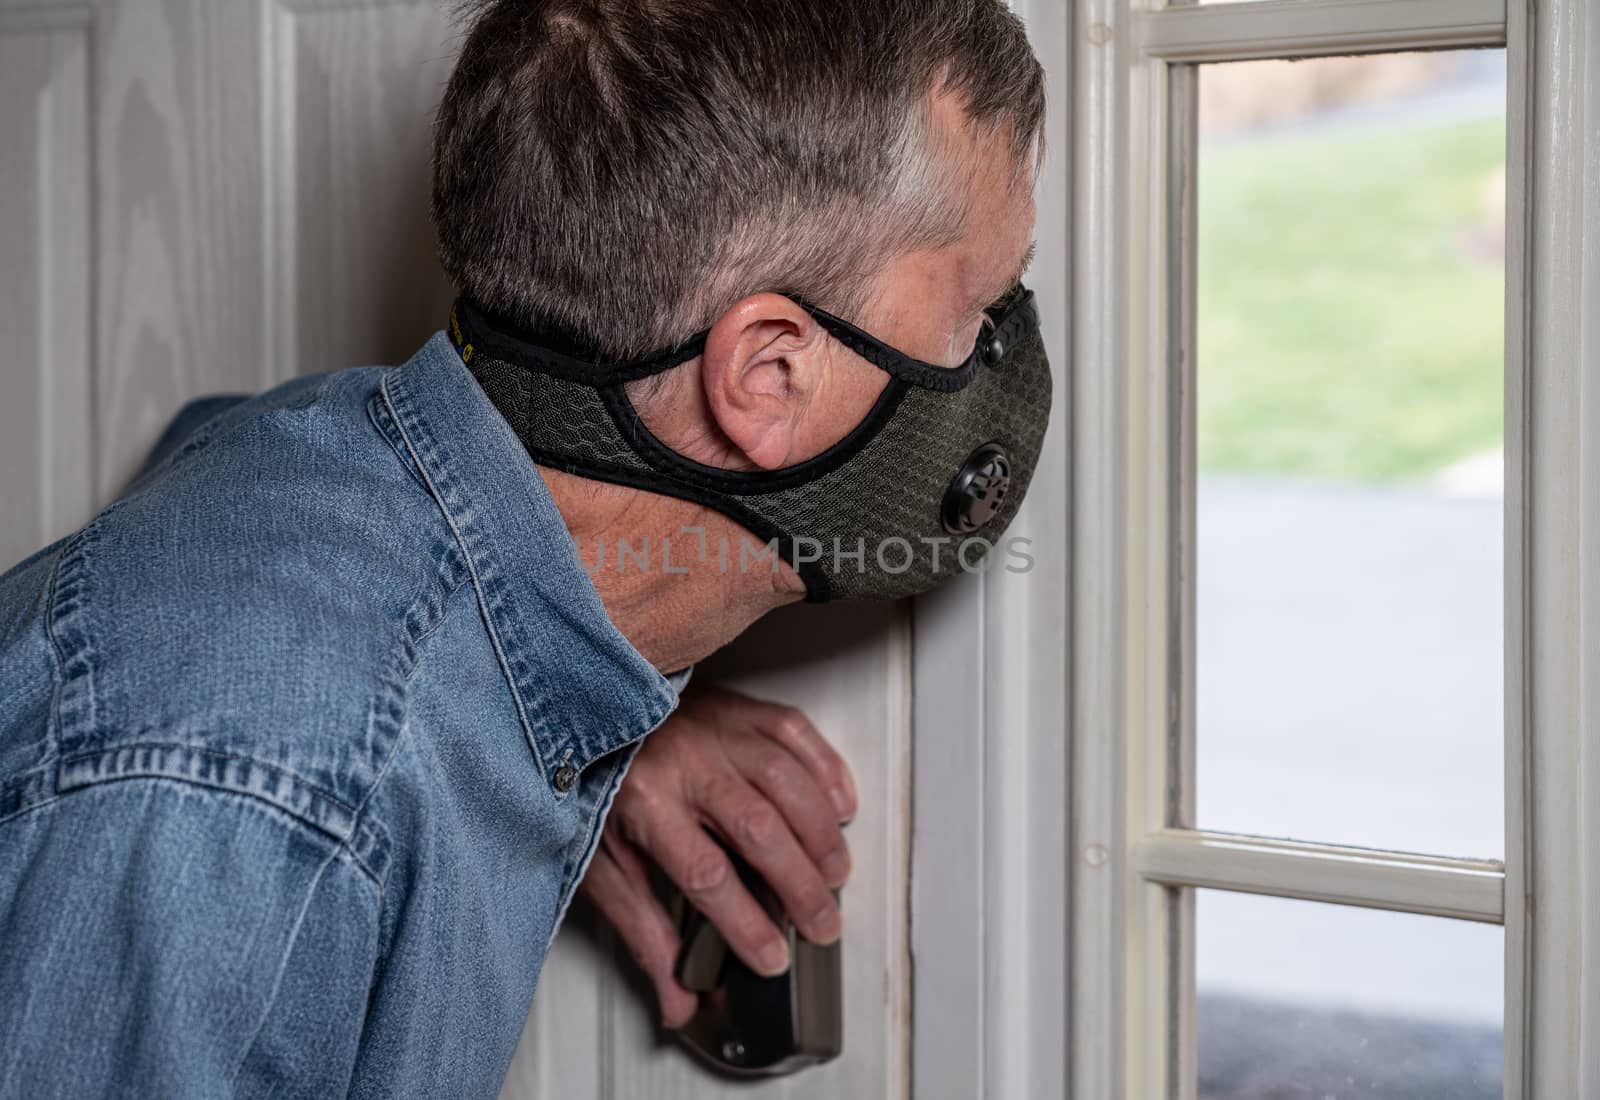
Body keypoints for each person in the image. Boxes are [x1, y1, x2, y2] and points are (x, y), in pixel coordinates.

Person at [0, 0, 1048, 1094]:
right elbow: (203, 736)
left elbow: (210, 483)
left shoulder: (335, 457)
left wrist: (597, 707)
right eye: (978, 309)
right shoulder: (269, 799)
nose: (997, 356)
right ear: (769, 376)